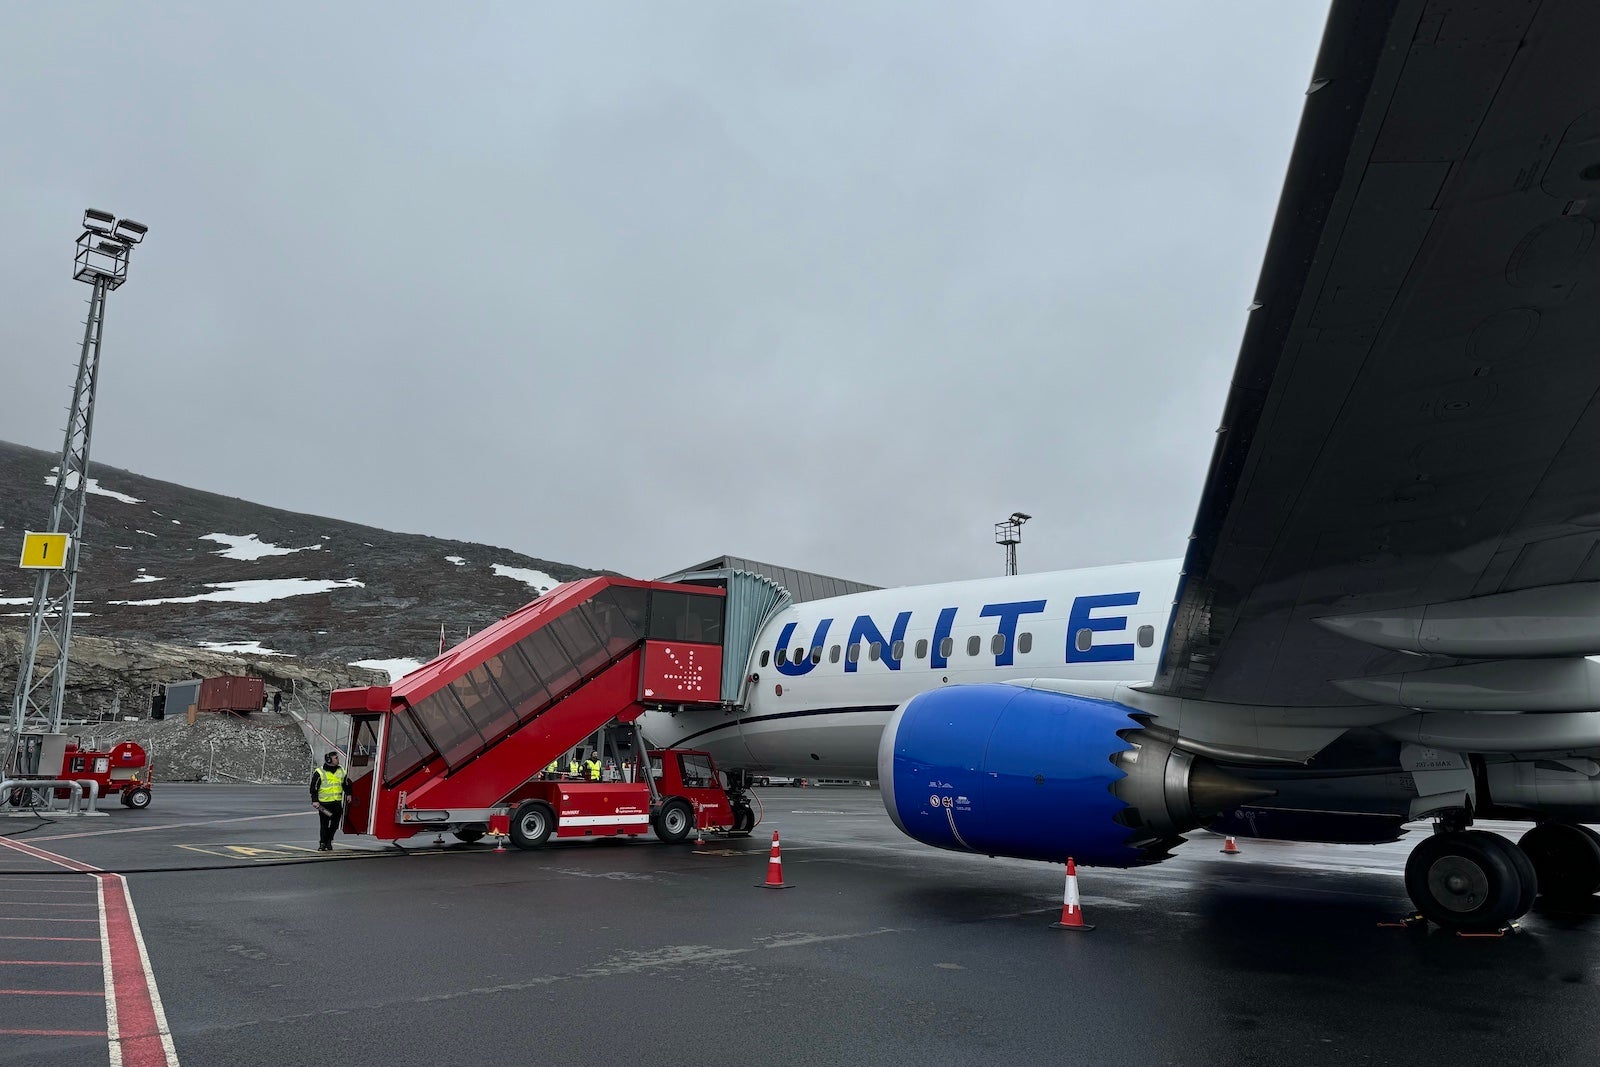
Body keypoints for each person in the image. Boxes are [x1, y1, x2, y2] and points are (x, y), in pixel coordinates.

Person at [310, 751, 350, 851]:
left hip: (336, 803)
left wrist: (349, 794)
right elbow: (314, 787)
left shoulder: (341, 770)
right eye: (336, 758)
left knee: (335, 824)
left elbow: (346, 784)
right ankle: (323, 843)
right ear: (329, 760)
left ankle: (329, 840)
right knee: (324, 824)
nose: (338, 760)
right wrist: (315, 801)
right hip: (324, 804)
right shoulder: (320, 772)